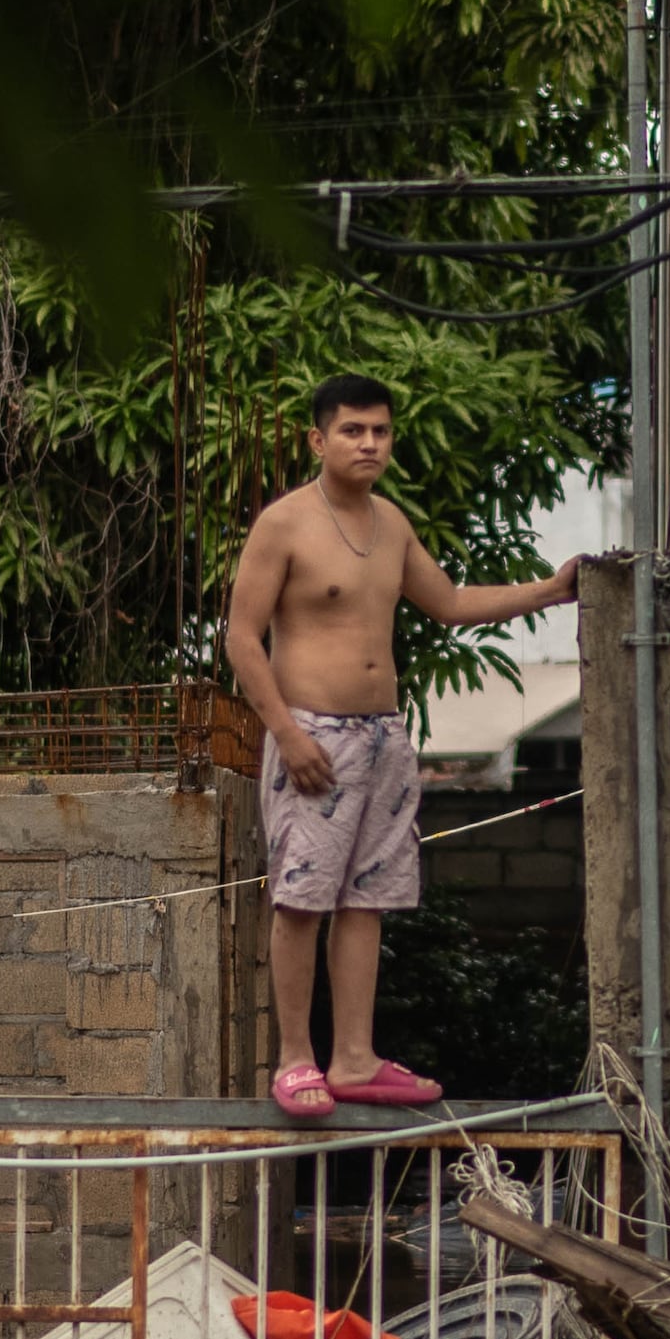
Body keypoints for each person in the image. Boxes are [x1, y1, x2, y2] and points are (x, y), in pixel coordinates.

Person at [220, 373, 586, 1124]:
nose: (370, 444)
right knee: (301, 898)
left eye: (381, 431)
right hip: (311, 735)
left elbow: (449, 604)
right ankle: (296, 1058)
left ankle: (353, 1057)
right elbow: (240, 638)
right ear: (319, 440)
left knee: (368, 900)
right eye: (353, 431)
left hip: (384, 735)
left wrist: (549, 590)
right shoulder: (284, 524)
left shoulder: (390, 523)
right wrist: (286, 734)